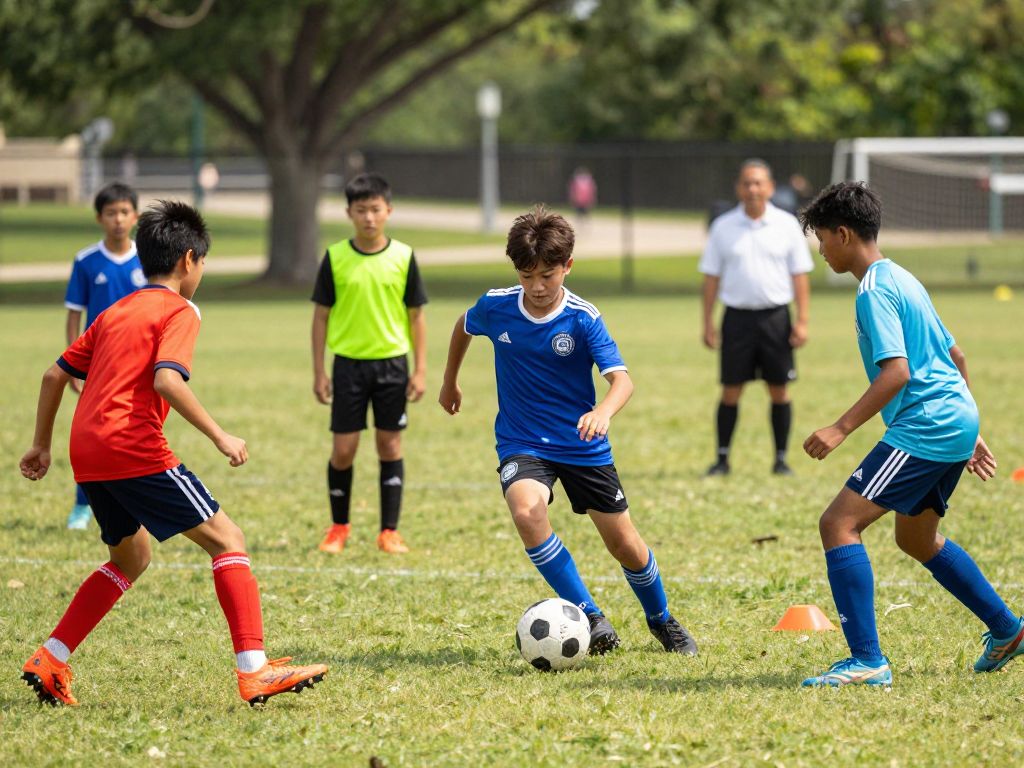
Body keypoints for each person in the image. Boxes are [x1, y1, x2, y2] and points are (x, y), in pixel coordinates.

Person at [19, 201, 328, 707]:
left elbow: (55, 374)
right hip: (131, 446)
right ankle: (253, 670)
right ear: (189, 260)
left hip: (88, 451)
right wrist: (220, 435)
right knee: (228, 539)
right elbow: (167, 379)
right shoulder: (180, 309)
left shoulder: (116, 309)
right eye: (203, 264)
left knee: (131, 555)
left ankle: (51, 657)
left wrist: (41, 445)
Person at [438, 205, 697, 656]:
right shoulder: (497, 306)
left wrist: (603, 412)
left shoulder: (582, 317)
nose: (537, 287)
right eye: (527, 276)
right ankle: (591, 616)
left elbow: (623, 380)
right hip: (521, 440)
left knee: (626, 546)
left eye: (548, 275)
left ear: (568, 266)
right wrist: (449, 380)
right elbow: (463, 325)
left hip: (582, 444)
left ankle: (662, 619)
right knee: (526, 512)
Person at [798, 181, 1021, 687]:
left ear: (844, 233)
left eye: (822, 240)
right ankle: (1008, 630)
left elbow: (896, 372)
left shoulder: (874, 289)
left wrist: (840, 428)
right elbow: (955, 356)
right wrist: (969, 427)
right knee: (916, 538)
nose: (821, 251)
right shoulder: (903, 276)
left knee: (838, 524)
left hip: (928, 424)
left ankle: (866, 661)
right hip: (952, 420)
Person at [311, 173, 427, 555]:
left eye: (376, 210)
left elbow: (416, 317)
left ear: (388, 211)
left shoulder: (404, 257)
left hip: (393, 364)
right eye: (361, 210)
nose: (369, 218)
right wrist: (319, 370)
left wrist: (421, 369)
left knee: (389, 446)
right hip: (348, 366)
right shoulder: (335, 257)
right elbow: (321, 316)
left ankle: (388, 532)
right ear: (349, 213)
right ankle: (338, 527)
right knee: (343, 449)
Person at [699, 159, 813, 477]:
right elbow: (711, 277)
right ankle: (722, 459)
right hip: (736, 319)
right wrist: (707, 322)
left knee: (779, 389)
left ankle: (780, 459)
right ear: (739, 188)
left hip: (776, 317)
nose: (753, 189)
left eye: (759, 183)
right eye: (747, 183)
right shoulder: (723, 227)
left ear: (770, 187)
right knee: (731, 389)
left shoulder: (787, 225)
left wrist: (802, 320)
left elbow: (800, 275)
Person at [63, 182, 147, 530]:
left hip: (139, 364)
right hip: (97, 364)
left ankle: (137, 503)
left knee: (138, 433)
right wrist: (72, 367)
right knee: (93, 436)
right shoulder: (86, 262)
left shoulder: (147, 260)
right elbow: (74, 315)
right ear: (99, 218)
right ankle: (83, 505)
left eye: (124, 212)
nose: (118, 219)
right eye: (111, 213)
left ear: (135, 216)